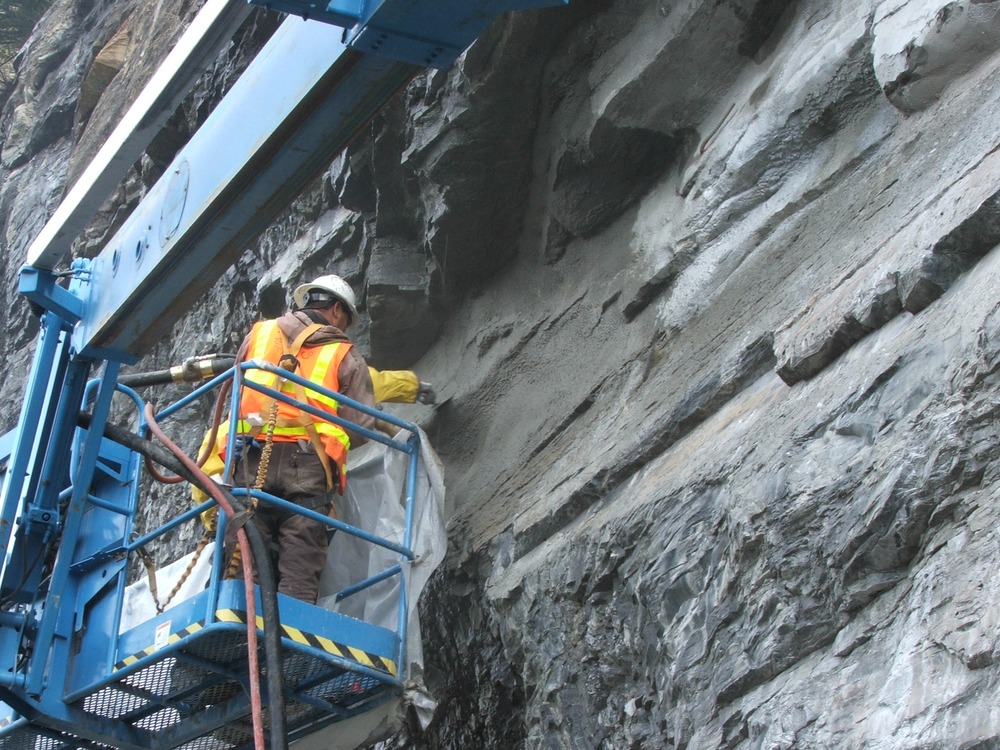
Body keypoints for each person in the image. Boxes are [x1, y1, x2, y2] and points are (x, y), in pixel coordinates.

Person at [219, 274, 377, 604]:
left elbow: (232, 393)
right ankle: (288, 645)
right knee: (301, 559)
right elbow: (362, 425)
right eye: (345, 320)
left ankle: (236, 626)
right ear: (336, 310)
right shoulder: (342, 351)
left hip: (250, 461)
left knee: (245, 548)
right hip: (307, 468)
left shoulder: (259, 334)